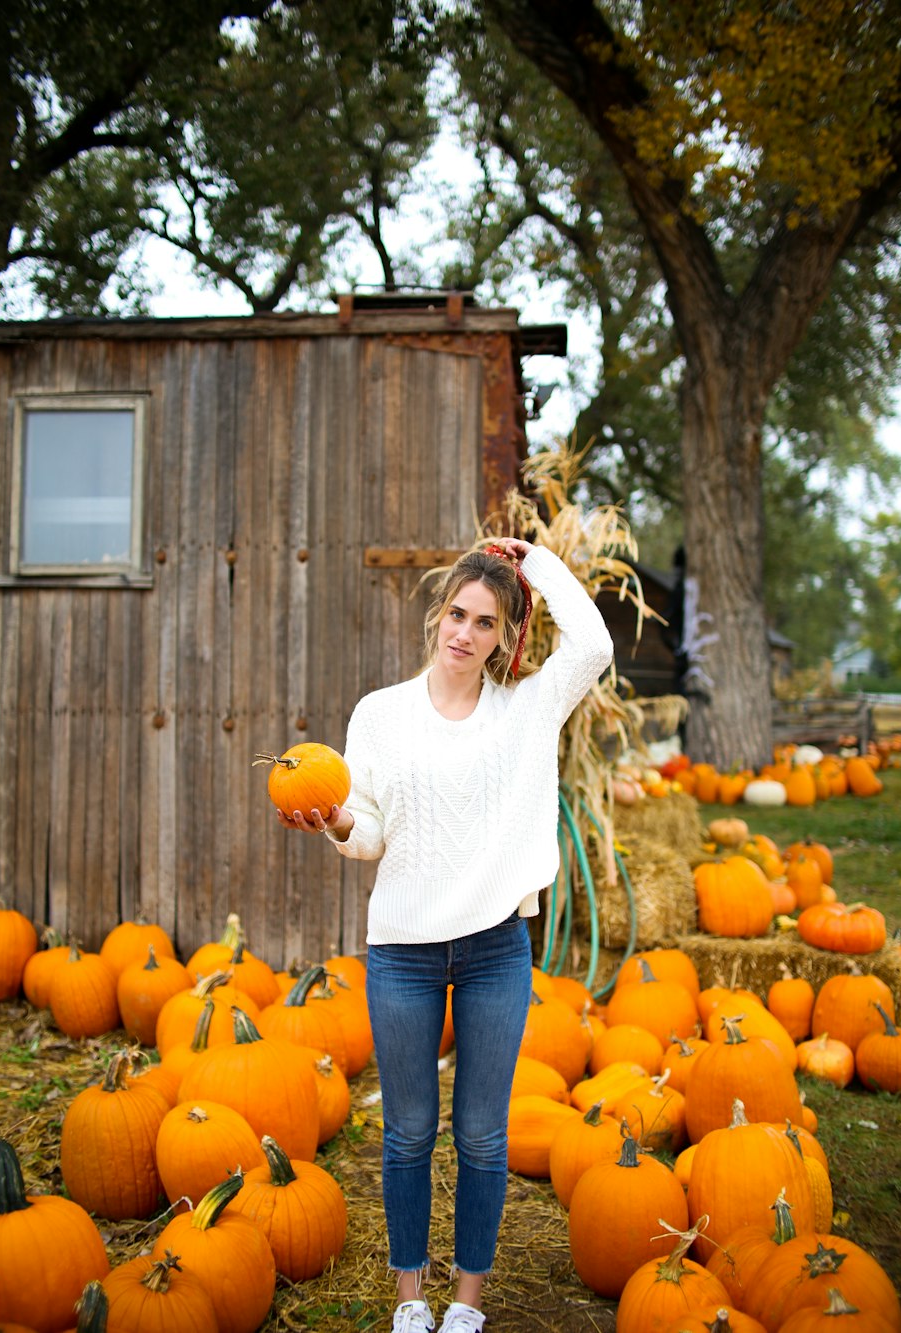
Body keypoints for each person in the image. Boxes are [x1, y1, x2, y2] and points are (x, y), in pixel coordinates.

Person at [277, 536, 613, 1332]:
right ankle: (410, 1298)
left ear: (504, 636)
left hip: (497, 946)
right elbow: (370, 833)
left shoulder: (529, 708)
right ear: (437, 616)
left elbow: (595, 643)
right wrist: (334, 820)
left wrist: (532, 561)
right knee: (408, 1133)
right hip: (403, 949)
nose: (465, 632)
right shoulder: (380, 714)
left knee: (484, 1135)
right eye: (457, 613)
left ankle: (466, 1301)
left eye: (486, 622)